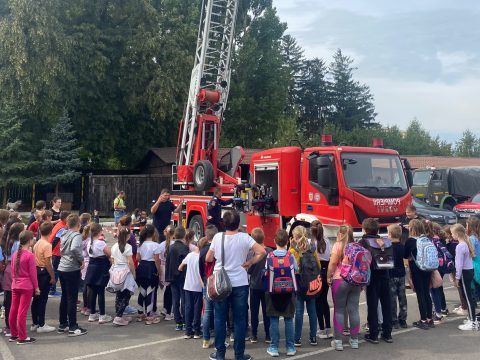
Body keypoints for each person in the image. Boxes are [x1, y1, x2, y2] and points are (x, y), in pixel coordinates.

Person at [206, 210, 266, 360]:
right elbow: (262, 251)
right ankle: (239, 355)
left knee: (220, 318)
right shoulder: (245, 238)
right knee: (240, 320)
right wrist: (250, 262)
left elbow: (208, 258)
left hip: (221, 282)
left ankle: (220, 354)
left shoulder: (218, 237)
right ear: (238, 223)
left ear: (223, 223)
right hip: (240, 282)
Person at [327, 225, 361, 351]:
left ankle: (338, 341)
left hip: (340, 279)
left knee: (339, 310)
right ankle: (354, 340)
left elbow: (333, 263)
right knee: (354, 310)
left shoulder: (338, 245)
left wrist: (328, 276)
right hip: (355, 280)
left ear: (340, 234)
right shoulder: (357, 246)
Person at [265, 229, 298, 357]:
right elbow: (296, 269)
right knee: (289, 319)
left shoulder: (270, 256)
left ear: (274, 241)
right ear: (287, 242)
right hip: (288, 292)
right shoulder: (290, 256)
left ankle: (274, 347)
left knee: (274, 319)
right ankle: (290, 347)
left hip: (273, 292)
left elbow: (266, 271)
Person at [360, 218, 393, 344]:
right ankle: (388, 333)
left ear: (365, 229)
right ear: (377, 229)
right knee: (386, 304)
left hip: (371, 276)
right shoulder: (384, 241)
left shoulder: (363, 241)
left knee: (372, 305)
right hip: (385, 274)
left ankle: (373, 334)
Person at [57, 214, 87, 337]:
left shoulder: (64, 233)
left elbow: (61, 248)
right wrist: (81, 260)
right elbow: (75, 248)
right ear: (78, 224)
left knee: (65, 296)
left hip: (62, 267)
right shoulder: (76, 235)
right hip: (71, 268)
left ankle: (63, 323)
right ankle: (73, 326)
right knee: (72, 298)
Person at [289, 225, 319, 347]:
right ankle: (313, 337)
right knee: (312, 311)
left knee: (299, 312)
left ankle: (297, 338)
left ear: (294, 237)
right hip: (311, 284)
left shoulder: (293, 251)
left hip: (299, 284)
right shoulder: (312, 248)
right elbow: (317, 263)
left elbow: (290, 267)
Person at [9, 230, 39, 344]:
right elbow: (33, 274)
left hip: (15, 284)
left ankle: (13, 334)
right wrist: (36, 287)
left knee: (14, 309)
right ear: (30, 241)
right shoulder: (29, 255)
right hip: (26, 286)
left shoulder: (15, 254)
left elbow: (13, 270)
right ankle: (22, 337)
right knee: (22, 312)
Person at [404, 219, 433, 330]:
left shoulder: (410, 241)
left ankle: (423, 319)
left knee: (420, 293)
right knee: (426, 292)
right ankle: (430, 318)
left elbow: (406, 255)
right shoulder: (426, 239)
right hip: (427, 268)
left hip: (417, 269)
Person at [107, 226, 137, 326]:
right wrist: (133, 273)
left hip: (116, 270)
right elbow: (130, 262)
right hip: (126, 272)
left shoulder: (114, 246)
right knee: (127, 294)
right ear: (128, 236)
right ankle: (119, 316)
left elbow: (112, 260)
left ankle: (119, 314)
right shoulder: (128, 247)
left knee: (119, 293)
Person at [31, 222, 56, 333]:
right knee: (43, 299)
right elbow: (48, 263)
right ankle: (41, 324)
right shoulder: (47, 245)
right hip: (44, 272)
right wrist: (52, 276)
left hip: (36, 271)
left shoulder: (37, 243)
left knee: (36, 298)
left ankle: (35, 322)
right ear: (51, 232)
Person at [451, 224, 477, 330]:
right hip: (469, 271)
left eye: (452, 233)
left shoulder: (460, 246)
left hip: (464, 273)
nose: (452, 235)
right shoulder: (466, 243)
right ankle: (471, 318)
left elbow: (459, 264)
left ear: (457, 234)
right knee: (468, 296)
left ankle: (473, 322)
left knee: (468, 297)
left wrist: (457, 277)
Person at [85, 223, 112, 324]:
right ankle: (102, 315)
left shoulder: (89, 242)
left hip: (91, 267)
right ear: (99, 232)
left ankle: (92, 314)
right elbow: (109, 253)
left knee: (92, 292)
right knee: (100, 292)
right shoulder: (101, 243)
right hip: (100, 267)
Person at [248, 228, 271, 344]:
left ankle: (254, 335)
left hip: (254, 285)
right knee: (267, 311)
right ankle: (268, 335)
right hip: (267, 286)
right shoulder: (269, 252)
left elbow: (249, 270)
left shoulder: (252, 253)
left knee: (254, 311)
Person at [1, 222, 24, 337]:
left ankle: (8, 326)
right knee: (15, 301)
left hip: (8, 269)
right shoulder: (18, 243)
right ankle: (12, 326)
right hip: (15, 270)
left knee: (8, 300)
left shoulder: (9, 241)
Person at [136, 224, 162, 324]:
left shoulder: (141, 244)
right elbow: (157, 260)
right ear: (153, 233)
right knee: (150, 291)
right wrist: (159, 272)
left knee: (142, 290)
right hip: (151, 268)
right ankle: (150, 315)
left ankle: (140, 313)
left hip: (141, 266)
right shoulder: (156, 245)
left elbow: (138, 258)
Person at [312, 220, 332, 339]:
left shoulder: (311, 242)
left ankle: (321, 328)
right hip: (325, 271)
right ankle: (328, 328)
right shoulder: (327, 241)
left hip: (316, 272)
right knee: (324, 300)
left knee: (317, 301)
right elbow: (328, 256)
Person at [166, 227, 189, 331]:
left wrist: (168, 276)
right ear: (184, 236)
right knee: (184, 300)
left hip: (172, 276)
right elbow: (185, 264)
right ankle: (185, 321)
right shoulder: (184, 248)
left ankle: (178, 322)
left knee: (175, 300)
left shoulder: (171, 247)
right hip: (182, 276)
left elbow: (168, 263)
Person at [199, 225, 218, 349]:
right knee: (218, 313)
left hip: (207, 282)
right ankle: (218, 340)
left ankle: (205, 339)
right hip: (217, 283)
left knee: (207, 312)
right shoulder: (217, 249)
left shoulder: (202, 251)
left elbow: (200, 269)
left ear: (206, 236)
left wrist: (204, 281)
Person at [179, 242, 203, 339]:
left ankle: (188, 331)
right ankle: (197, 330)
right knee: (197, 308)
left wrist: (183, 269)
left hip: (188, 285)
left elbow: (180, 267)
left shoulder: (190, 255)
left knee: (188, 307)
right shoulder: (201, 257)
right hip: (198, 286)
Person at [388, 224, 408, 329]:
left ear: (390, 235)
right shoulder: (402, 246)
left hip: (391, 274)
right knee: (402, 297)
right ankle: (403, 319)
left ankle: (394, 320)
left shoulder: (389, 247)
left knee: (392, 298)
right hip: (401, 273)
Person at [48, 211, 70, 297]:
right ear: (65, 218)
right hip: (57, 252)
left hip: (55, 251)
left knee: (55, 270)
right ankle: (52, 290)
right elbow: (55, 240)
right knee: (56, 271)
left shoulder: (60, 224)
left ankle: (51, 289)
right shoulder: (62, 227)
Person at [159, 225, 175, 321]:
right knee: (171, 291)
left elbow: (160, 258)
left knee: (167, 289)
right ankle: (169, 312)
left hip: (163, 268)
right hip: (171, 269)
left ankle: (165, 308)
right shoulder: (174, 244)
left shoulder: (161, 245)